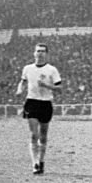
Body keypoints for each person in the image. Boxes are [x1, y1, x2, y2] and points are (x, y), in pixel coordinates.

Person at [16, 43, 63, 175]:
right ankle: (35, 163)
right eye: (38, 51)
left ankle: (41, 161)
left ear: (46, 54)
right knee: (33, 134)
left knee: (43, 136)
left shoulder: (52, 70)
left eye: (43, 51)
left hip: (46, 103)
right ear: (34, 53)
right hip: (32, 102)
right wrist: (20, 89)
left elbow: (60, 88)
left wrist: (47, 86)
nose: (40, 53)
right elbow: (23, 81)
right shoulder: (27, 68)